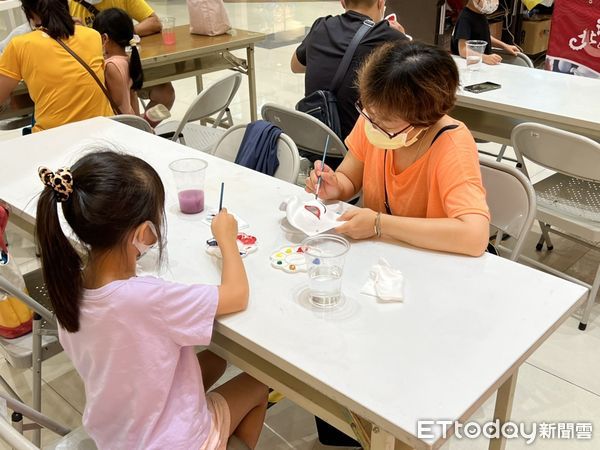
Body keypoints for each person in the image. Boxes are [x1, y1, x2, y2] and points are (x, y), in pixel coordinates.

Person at [35, 151, 268, 449]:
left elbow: (151, 361)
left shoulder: (69, 288)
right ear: (144, 232)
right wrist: (226, 237)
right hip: (178, 443)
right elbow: (238, 294)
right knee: (259, 381)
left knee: (216, 361)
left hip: (118, 435)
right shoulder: (148, 299)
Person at [306, 40, 490, 257]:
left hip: (431, 263)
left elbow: (475, 236)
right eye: (369, 115)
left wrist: (379, 224)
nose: (373, 126)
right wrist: (335, 186)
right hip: (381, 258)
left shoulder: (452, 146)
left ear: (425, 119)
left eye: (386, 125)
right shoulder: (376, 116)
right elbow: (349, 176)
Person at [291, 0, 409, 141]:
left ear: (342, 2)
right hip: (358, 148)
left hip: (316, 140)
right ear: (380, 3)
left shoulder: (321, 25)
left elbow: (295, 66)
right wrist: (403, 39)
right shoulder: (391, 37)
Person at [0, 0, 113, 132]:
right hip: (103, 133)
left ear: (30, 13)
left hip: (54, 139)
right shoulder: (92, 35)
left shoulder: (20, 45)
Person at [70, 0, 175, 111]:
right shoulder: (67, 4)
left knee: (165, 93)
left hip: (122, 71)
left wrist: (122, 33)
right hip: (89, 74)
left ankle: (143, 126)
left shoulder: (115, 66)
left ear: (104, 39)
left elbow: (154, 22)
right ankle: (142, 125)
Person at [91, 8, 170, 123]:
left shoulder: (111, 66)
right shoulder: (128, 59)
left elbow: (114, 105)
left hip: (121, 127)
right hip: (131, 122)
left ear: (104, 38)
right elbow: (133, 97)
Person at [451, 0, 520, 65]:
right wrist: (485, 58)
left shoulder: (480, 15)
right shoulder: (465, 19)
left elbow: (485, 36)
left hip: (480, 64)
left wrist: (504, 46)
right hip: (470, 66)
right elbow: (463, 50)